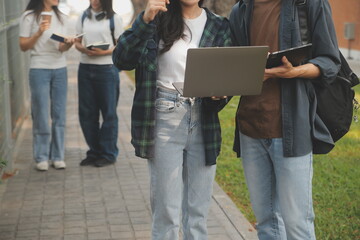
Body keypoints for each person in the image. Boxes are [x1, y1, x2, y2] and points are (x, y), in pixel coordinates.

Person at [112, 0, 231, 238]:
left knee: (197, 214)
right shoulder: (156, 20)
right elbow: (121, 59)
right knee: (166, 213)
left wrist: (221, 93)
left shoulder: (219, 26)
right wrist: (144, 19)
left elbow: (226, 79)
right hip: (164, 115)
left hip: (204, 118)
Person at [229, 0, 341, 239]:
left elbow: (330, 62)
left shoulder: (309, 4)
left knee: (297, 224)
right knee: (266, 222)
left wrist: (294, 72)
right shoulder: (241, 10)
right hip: (250, 129)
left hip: (292, 129)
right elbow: (236, 65)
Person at [19, 0, 75, 171]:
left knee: (59, 115)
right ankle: (41, 157)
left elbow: (61, 48)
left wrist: (69, 44)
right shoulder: (28, 16)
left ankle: (58, 156)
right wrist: (38, 33)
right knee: (41, 114)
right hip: (39, 69)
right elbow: (23, 46)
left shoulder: (62, 17)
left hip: (60, 69)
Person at [74, 0, 123, 168]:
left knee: (109, 113)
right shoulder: (83, 17)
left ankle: (108, 153)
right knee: (87, 113)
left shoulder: (114, 19)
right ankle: (94, 152)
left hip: (107, 70)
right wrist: (84, 50)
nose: (94, 1)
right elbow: (77, 42)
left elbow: (120, 46)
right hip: (85, 68)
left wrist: (104, 52)